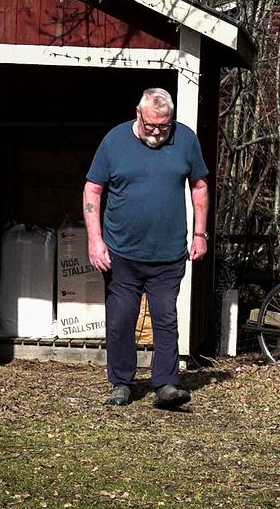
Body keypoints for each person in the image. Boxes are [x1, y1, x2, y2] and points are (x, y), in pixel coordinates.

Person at [83, 87, 209, 409]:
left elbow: (200, 185)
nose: (156, 132)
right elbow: (93, 189)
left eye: (164, 126)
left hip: (168, 255)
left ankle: (166, 385)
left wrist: (200, 234)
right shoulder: (114, 141)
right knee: (121, 318)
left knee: (166, 318)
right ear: (139, 114)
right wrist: (95, 240)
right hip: (121, 253)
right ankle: (122, 383)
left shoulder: (186, 140)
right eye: (151, 125)